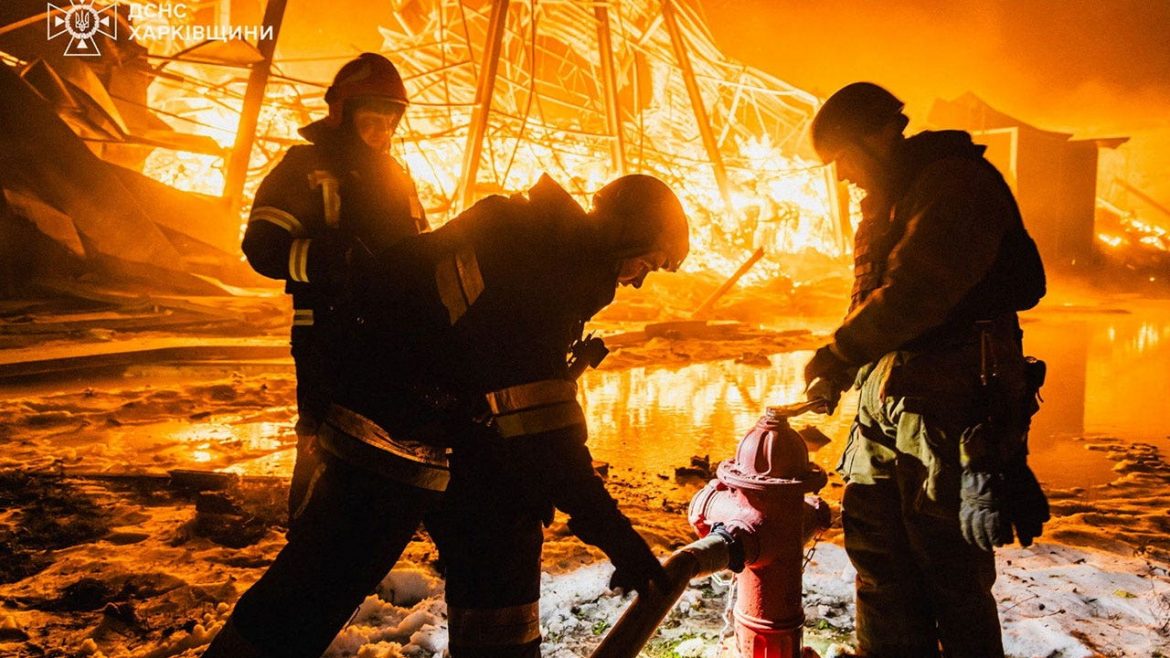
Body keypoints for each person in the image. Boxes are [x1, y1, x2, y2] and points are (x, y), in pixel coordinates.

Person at [203, 172, 688, 658]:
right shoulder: (544, 266)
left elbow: (504, 395)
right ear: (625, 234)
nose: (638, 280)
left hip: (444, 426)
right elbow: (547, 438)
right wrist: (618, 538)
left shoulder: (538, 239)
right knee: (315, 589)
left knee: (503, 538)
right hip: (384, 430)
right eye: (646, 263)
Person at [802, 82, 1050, 658]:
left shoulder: (955, 185)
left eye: (845, 158)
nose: (843, 176)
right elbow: (874, 299)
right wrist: (842, 368)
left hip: (947, 406)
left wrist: (841, 352)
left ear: (878, 136)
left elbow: (917, 293)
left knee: (950, 569)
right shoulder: (892, 198)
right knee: (878, 558)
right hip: (887, 404)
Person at [240, 53, 429, 519]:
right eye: (370, 121)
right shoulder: (304, 168)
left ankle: (367, 538)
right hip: (328, 332)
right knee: (322, 445)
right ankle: (305, 536)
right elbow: (261, 247)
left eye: (389, 122)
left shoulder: (397, 176)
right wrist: (330, 261)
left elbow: (420, 248)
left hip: (392, 336)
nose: (381, 132)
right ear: (342, 114)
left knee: (389, 445)